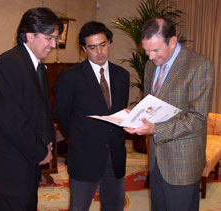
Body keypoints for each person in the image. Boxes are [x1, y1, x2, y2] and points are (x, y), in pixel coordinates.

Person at [124, 17, 214, 211]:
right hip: (156, 159)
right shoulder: (150, 66)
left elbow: (197, 118)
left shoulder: (198, 65)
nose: (149, 57)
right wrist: (136, 114)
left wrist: (156, 128)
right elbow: (153, 103)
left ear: (172, 42)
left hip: (182, 161)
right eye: (146, 51)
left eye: (155, 50)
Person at [0, 7, 63, 211]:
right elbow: (12, 122)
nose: (54, 45)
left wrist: (48, 145)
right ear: (30, 35)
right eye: (49, 38)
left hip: (27, 164)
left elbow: (42, 112)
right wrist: (40, 152)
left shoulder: (38, 67)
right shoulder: (8, 63)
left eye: (55, 38)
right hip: (9, 169)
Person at [54, 21, 130, 211]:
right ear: (83, 49)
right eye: (92, 47)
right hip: (84, 156)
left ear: (110, 42)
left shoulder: (122, 75)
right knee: (79, 207)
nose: (100, 52)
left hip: (115, 154)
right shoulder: (70, 77)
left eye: (103, 44)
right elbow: (62, 114)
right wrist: (82, 136)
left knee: (115, 206)